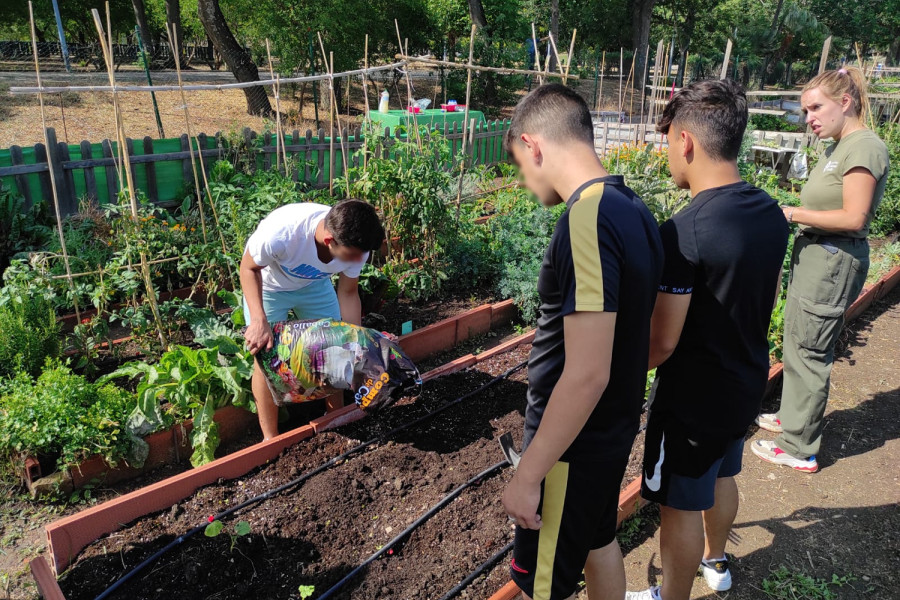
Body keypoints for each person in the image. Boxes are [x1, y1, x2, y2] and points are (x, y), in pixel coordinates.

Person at [626, 80, 788, 600]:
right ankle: (715, 562)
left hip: (692, 402)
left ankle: (671, 595)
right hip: (745, 381)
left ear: (687, 141)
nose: (667, 153)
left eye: (668, 140)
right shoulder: (769, 211)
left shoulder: (685, 232)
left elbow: (662, 344)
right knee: (722, 476)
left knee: (677, 504)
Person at [501, 83, 663, 600]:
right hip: (607, 435)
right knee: (598, 542)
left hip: (571, 448)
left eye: (520, 167)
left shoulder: (588, 218)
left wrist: (528, 475)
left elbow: (588, 371)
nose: (526, 183)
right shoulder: (634, 208)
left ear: (534, 146)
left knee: (541, 586)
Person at [753, 67, 890, 473]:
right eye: (805, 109)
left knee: (811, 349)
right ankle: (791, 417)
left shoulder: (863, 147)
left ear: (844, 102)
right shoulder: (837, 146)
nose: (809, 117)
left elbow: (855, 218)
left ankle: (799, 446)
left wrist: (791, 213)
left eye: (816, 107)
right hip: (816, 256)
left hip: (833, 259)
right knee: (798, 340)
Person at [240, 199, 385, 440]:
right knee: (265, 356)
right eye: (351, 257)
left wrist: (356, 340)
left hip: (314, 284)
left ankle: (335, 423)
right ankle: (270, 438)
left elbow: (348, 293)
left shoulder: (357, 245)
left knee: (334, 348)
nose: (357, 262)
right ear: (330, 241)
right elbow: (248, 268)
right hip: (269, 287)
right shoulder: (282, 233)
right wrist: (258, 320)